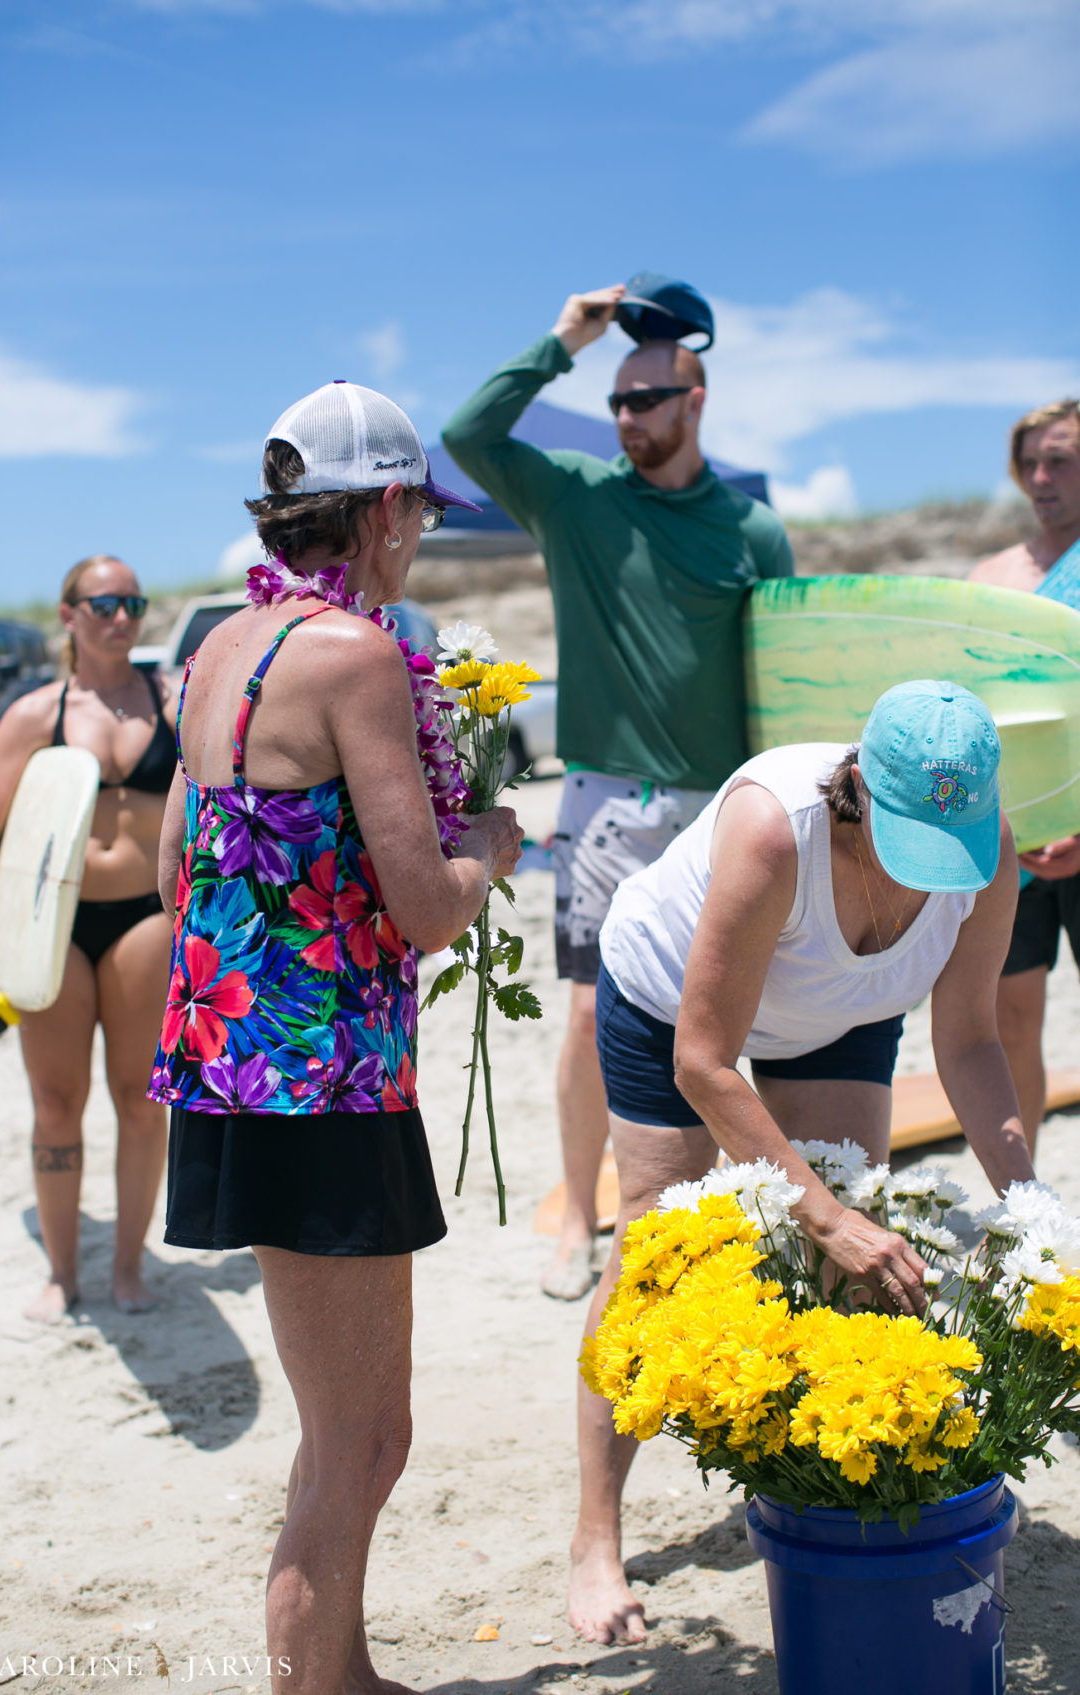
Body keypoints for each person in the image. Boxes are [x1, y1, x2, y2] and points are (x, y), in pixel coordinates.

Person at [149, 380, 522, 1695]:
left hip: (233, 1068)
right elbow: (424, 908)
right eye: (416, 503)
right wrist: (486, 844)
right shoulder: (357, 657)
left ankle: (341, 1669)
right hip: (324, 1087)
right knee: (363, 1437)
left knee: (348, 1430)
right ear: (378, 510)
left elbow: (172, 877)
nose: (418, 527)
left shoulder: (216, 651)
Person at [570, 680, 1036, 1643]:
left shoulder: (993, 860)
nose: (935, 875)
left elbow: (972, 1044)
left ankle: (822, 1498)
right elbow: (704, 1061)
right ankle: (596, 1537)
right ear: (860, 789)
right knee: (659, 1260)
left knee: (860, 1265)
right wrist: (816, 1207)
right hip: (673, 1004)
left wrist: (1032, 1207)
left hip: (839, 1013)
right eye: (914, 847)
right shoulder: (776, 830)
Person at [443, 280, 794, 1300]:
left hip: (725, 808)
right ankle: (580, 1218)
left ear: (694, 402)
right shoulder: (575, 498)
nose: (627, 416)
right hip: (606, 807)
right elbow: (469, 433)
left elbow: (774, 678)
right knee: (594, 1018)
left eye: (647, 399)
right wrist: (565, 338)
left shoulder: (751, 529)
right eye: (617, 402)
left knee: (737, 1019)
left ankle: (744, 1210)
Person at [0, 555, 175, 1322]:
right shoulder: (33, 714)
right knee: (56, 1102)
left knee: (140, 1102)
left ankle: (127, 1266)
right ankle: (61, 1272)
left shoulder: (173, 701)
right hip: (48, 919)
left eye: (135, 603)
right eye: (106, 603)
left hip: (146, 919)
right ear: (68, 614)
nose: (123, 617)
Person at [969, 399, 1080, 1151]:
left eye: (1062, 459)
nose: (1042, 478)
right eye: (1030, 462)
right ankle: (1025, 1212)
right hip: (1014, 833)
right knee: (1008, 1020)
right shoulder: (993, 575)